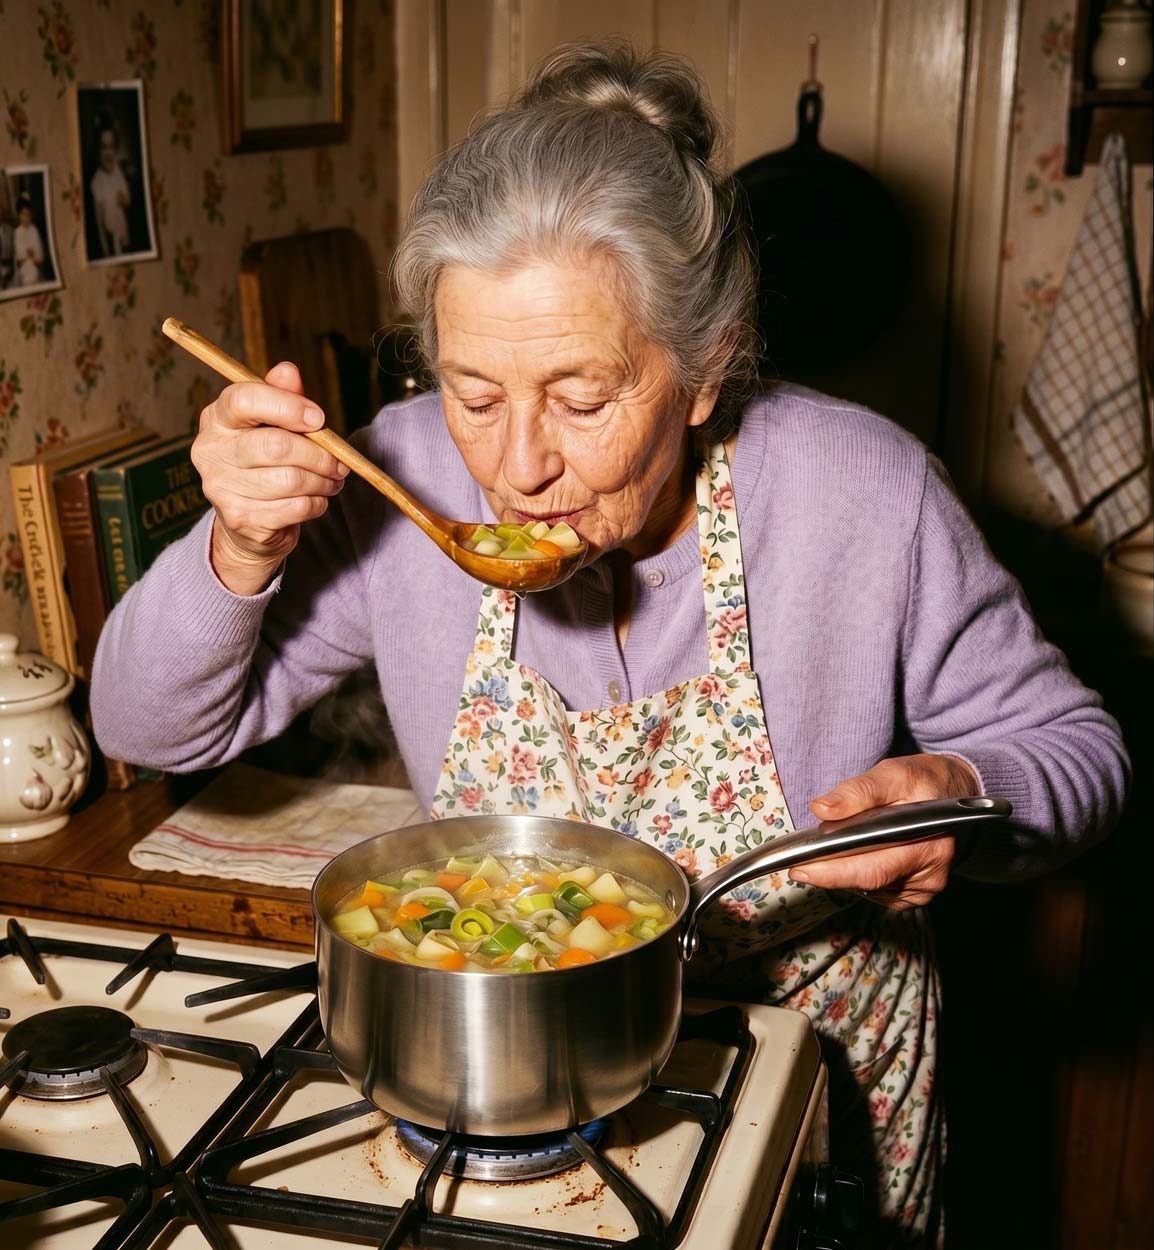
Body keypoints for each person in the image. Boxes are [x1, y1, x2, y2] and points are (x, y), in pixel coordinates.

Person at [91, 42, 1127, 1246]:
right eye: (473, 390)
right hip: (519, 1087)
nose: (517, 463)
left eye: (582, 398)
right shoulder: (402, 475)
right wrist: (241, 546)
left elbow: (1077, 748)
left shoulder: (860, 491)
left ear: (704, 368)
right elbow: (143, 724)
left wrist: (965, 787)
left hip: (817, 1074)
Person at [88, 114, 131, 258]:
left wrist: (124, 200)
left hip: (123, 233)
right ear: (97, 150)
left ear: (116, 149)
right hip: (110, 236)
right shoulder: (97, 181)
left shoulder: (118, 172)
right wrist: (105, 248)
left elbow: (127, 202)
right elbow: (99, 222)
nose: (108, 152)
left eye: (111, 147)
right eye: (103, 147)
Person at [11, 192, 45, 288]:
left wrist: (33, 255)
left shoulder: (34, 231)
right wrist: (24, 256)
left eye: (28, 215)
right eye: (23, 214)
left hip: (35, 275)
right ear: (19, 215)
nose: (25, 218)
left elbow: (40, 259)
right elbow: (18, 260)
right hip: (23, 277)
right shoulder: (17, 232)